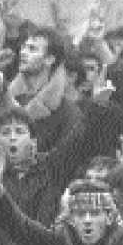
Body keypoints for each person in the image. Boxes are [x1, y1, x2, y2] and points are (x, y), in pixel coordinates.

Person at [5, 26, 82, 154]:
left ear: (49, 59)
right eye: (24, 47)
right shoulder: (6, 99)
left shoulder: (67, 111)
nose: (23, 52)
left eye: (32, 49)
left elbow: (66, 158)